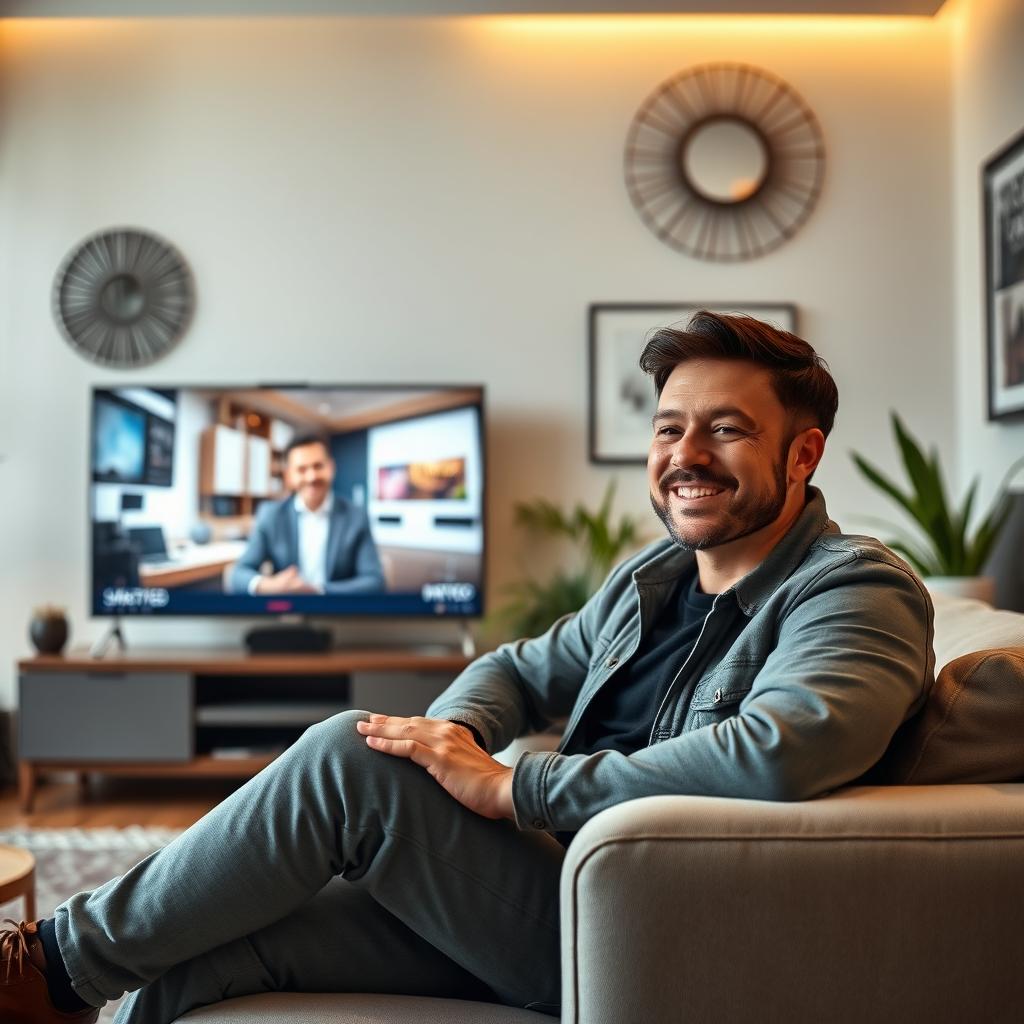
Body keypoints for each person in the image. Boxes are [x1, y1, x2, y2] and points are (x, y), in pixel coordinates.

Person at [0, 312, 934, 1023]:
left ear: (802, 452)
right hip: (542, 887)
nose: (685, 455)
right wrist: (452, 744)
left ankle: (51, 963)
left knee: (346, 756)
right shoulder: (652, 579)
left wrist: (514, 788)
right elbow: (520, 671)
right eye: (668, 428)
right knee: (187, 954)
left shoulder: (853, 589)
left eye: (725, 429)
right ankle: (61, 988)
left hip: (640, 919)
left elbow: (782, 750)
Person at [226, 434, 385, 595]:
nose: (311, 477)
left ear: (331, 467)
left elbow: (374, 582)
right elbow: (238, 574)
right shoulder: (270, 515)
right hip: (285, 610)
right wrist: (269, 586)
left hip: (337, 610)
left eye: (318, 466)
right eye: (302, 469)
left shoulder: (357, 516)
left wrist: (318, 591)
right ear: (289, 476)